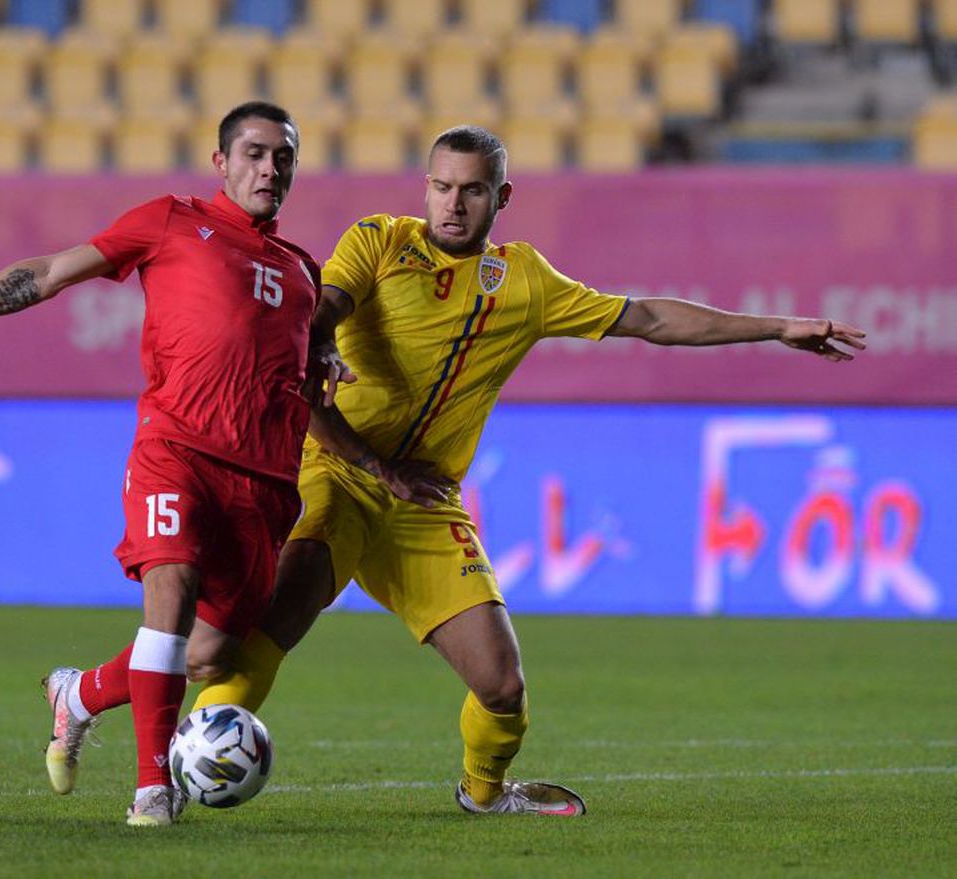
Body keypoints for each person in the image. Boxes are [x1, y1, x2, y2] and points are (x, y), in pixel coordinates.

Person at [187, 125, 867, 816]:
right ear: (425, 187)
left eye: (473, 190)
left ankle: (483, 796)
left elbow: (651, 319)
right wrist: (335, 370)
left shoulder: (525, 281)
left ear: (501, 196)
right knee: (278, 620)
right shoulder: (380, 241)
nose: (453, 204)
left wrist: (777, 326)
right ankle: (177, 771)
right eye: (443, 187)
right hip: (340, 469)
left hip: (423, 499)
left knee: (502, 686)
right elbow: (321, 311)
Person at [0, 101, 325, 827]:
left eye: (282, 157)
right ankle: (153, 788)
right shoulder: (172, 221)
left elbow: (312, 357)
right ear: (220, 162)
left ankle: (78, 694)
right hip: (176, 450)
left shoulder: (304, 274)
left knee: (208, 652)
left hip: (266, 484)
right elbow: (50, 271)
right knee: (170, 595)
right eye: (253, 152)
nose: (268, 168)